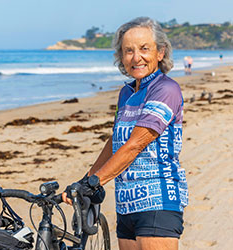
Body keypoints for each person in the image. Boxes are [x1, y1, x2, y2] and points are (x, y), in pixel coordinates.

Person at [62, 17, 188, 250]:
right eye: (128, 50)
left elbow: (135, 144)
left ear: (160, 52)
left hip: (158, 201)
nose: (136, 57)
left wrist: (95, 183)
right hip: (127, 204)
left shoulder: (166, 89)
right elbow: (115, 142)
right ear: (121, 56)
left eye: (144, 48)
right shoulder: (127, 92)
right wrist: (86, 179)